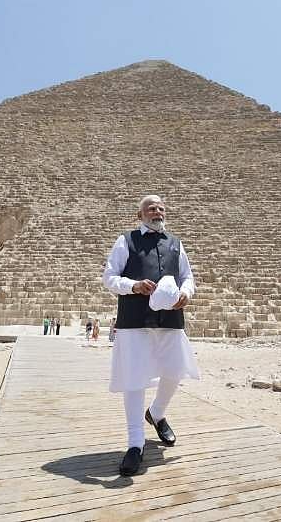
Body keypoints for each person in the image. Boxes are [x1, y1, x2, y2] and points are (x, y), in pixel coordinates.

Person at [102, 194, 199, 477]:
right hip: (135, 319)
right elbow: (109, 278)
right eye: (151, 208)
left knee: (175, 370)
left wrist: (186, 292)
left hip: (170, 318)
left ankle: (156, 413)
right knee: (135, 378)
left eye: (160, 208)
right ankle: (135, 444)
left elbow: (187, 277)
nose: (157, 211)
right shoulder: (126, 241)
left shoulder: (176, 243)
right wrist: (133, 286)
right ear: (140, 215)